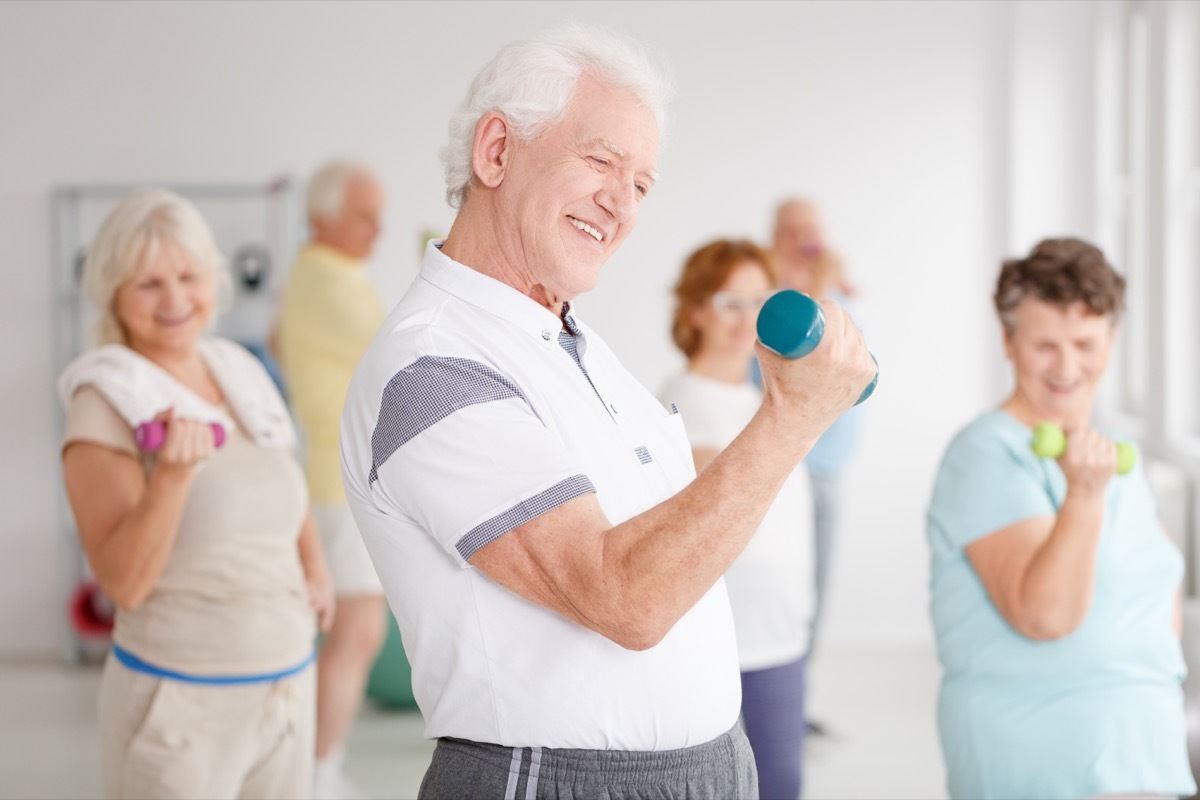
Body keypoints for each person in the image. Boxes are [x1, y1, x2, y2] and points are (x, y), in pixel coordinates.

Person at [339, 23, 875, 798]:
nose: (621, 204)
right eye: (600, 161)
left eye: (643, 184)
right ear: (496, 152)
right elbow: (623, 596)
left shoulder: (577, 344)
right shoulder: (431, 366)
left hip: (712, 767)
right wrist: (791, 418)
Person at [57, 187, 334, 799]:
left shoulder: (240, 369)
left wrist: (314, 568)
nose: (176, 299)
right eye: (149, 284)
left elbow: (278, 475)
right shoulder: (103, 404)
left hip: (286, 690)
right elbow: (124, 584)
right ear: (113, 294)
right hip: (181, 706)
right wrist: (174, 479)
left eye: (189, 275)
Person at [926, 237, 1196, 800]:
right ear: (1007, 340)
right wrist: (1083, 495)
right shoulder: (982, 455)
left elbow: (1154, 589)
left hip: (1142, 753)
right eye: (1045, 345)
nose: (1068, 367)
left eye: (1084, 343)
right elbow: (1046, 615)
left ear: (1112, 340)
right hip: (1045, 761)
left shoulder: (1115, 453)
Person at [660, 239, 815, 800]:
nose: (746, 317)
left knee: (782, 784)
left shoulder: (764, 400)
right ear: (696, 310)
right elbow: (711, 505)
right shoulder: (680, 400)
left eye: (758, 300)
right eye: (729, 301)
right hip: (718, 639)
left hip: (781, 632)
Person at [276, 160, 388, 800]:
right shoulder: (324, 280)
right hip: (338, 481)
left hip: (342, 477)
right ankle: (313, 778)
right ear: (322, 218)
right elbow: (396, 345)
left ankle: (315, 769)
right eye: (364, 215)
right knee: (354, 632)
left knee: (356, 632)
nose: (377, 228)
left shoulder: (334, 275)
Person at [769, 198, 864, 667]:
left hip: (830, 466)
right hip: (789, 468)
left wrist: (828, 282)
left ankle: (800, 697)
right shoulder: (773, 300)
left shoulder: (833, 290)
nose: (806, 239)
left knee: (820, 585)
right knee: (787, 588)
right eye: (794, 229)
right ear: (777, 235)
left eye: (812, 228)